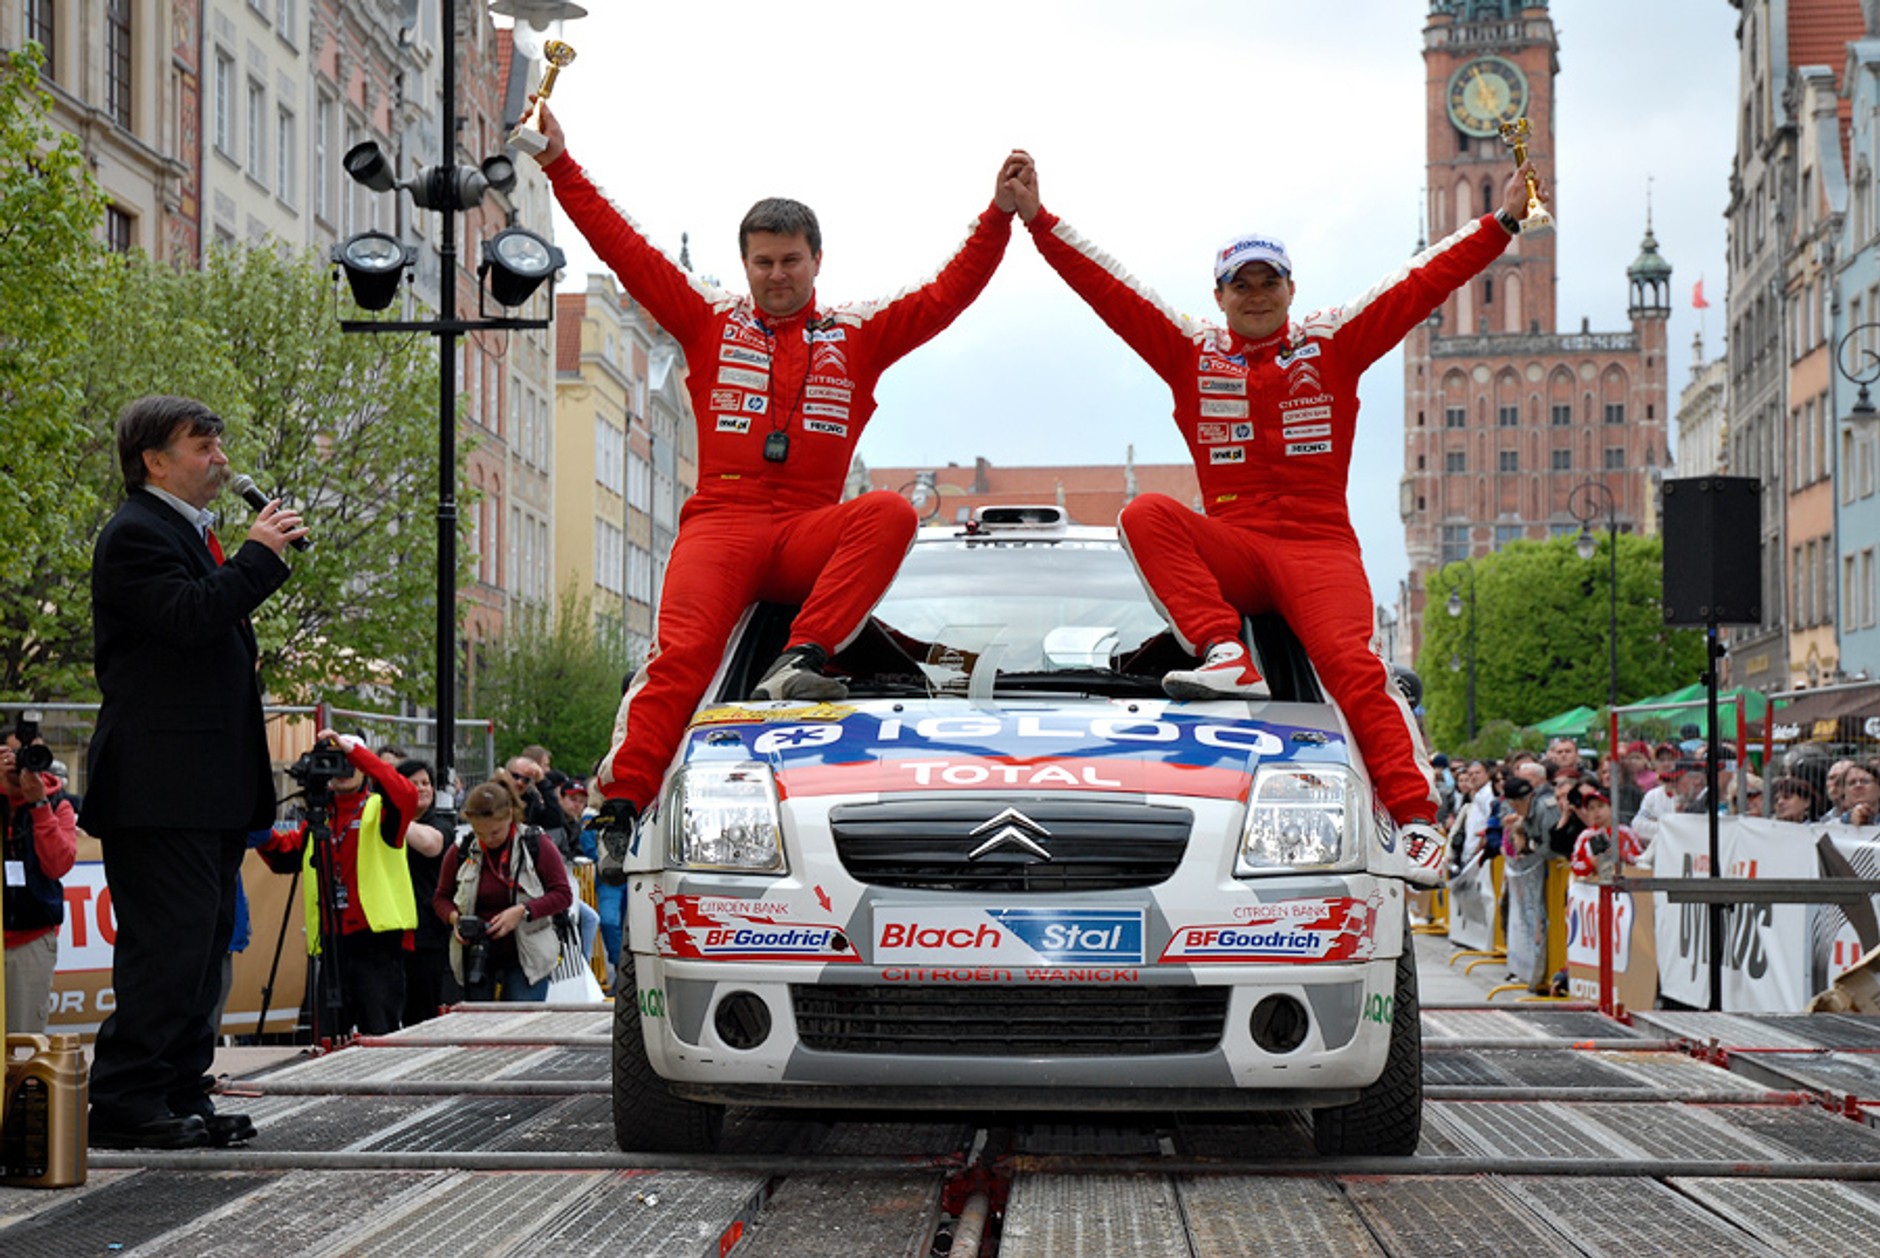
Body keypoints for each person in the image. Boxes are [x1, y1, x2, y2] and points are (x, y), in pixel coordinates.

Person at [1005, 150, 1543, 883]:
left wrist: (1502, 221)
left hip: (1320, 547)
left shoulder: (1332, 341)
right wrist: (1039, 221)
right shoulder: (1191, 351)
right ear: (1219, 296)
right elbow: (1113, 291)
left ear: (1292, 289)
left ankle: (1420, 823)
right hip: (1234, 544)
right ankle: (1225, 653)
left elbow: (1419, 285)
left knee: (1354, 668)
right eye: (1242, 284)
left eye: (1268, 282)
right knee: (1146, 513)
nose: (1256, 295)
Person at [526, 102, 1024, 874]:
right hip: (721, 522)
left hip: (806, 530)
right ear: (746, 263)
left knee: (890, 511)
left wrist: (997, 217)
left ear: (817, 260)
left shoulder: (857, 333)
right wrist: (560, 164)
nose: (776, 275)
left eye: (790, 260)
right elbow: (625, 249)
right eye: (762, 262)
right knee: (683, 653)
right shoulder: (707, 317)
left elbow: (946, 294)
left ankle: (802, 656)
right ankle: (621, 803)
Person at [83, 394, 306, 1150]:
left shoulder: (187, 533)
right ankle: (126, 1098)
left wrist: (249, 559)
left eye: (219, 442)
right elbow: (188, 618)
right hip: (158, 787)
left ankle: (179, 1090)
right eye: (202, 445)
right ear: (154, 460)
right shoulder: (135, 534)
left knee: (202, 952)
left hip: (200, 788)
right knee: (167, 950)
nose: (220, 458)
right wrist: (257, 556)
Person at [260, 731, 421, 1036]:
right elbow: (284, 855)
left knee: (379, 1034)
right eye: (332, 761)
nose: (343, 769)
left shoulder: (378, 809)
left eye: (349, 762)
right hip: (333, 940)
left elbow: (406, 795)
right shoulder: (320, 816)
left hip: (376, 941)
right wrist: (256, 829)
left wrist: (356, 752)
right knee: (327, 1037)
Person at [433, 778, 574, 1002]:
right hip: (477, 957)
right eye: (480, 833)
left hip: (527, 958)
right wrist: (455, 919)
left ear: (510, 815)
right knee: (478, 1022)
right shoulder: (462, 850)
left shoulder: (537, 844)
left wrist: (522, 911)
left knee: (521, 1021)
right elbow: (441, 897)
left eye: (495, 832)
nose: (488, 839)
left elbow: (563, 895)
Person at [3, 743, 77, 1034]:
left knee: (24, 1046)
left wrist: (39, 807)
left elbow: (58, 865)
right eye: (11, 756)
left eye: (27, 757)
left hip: (30, 942)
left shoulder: (58, 804)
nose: (20, 766)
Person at [396, 757, 457, 1024]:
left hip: (427, 932)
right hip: (391, 932)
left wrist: (391, 815)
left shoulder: (441, 825)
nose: (422, 788)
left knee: (422, 1010)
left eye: (426, 783)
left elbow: (431, 845)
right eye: (414, 783)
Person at [1568, 784, 1643, 879]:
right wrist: (1591, 862)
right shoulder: (1585, 836)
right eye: (1591, 808)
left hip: (1623, 882)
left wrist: (1620, 854)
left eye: (1601, 806)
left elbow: (1641, 859)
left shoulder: (1627, 832)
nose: (1596, 811)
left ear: (1611, 808)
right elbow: (1575, 864)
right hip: (1594, 883)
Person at [1836, 761, 1880, 827]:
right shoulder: (1831, 826)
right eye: (1852, 783)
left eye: (1865, 781)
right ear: (1844, 792)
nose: (1858, 786)